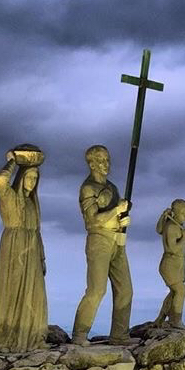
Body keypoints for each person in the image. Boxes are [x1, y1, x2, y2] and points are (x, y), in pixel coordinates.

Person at [71, 145, 133, 345]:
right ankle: (80, 334)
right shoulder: (88, 188)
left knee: (125, 289)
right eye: (101, 160)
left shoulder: (112, 188)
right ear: (91, 163)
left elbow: (116, 216)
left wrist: (122, 220)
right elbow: (92, 221)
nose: (106, 164)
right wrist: (116, 211)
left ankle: (119, 335)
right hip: (99, 240)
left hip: (117, 241)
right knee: (97, 289)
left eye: (107, 159)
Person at [0, 146, 47, 352]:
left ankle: (34, 337)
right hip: (13, 246)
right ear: (22, 178)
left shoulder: (33, 204)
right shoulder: (10, 197)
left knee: (35, 294)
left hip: (32, 249)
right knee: (12, 293)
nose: (32, 183)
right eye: (29, 177)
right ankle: (8, 339)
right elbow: (0, 180)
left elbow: (37, 231)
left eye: (35, 179)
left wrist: (42, 258)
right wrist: (13, 161)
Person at [153, 199, 185, 329]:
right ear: (174, 213)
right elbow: (172, 249)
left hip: (177, 264)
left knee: (174, 292)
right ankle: (176, 320)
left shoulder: (173, 226)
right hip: (170, 264)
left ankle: (161, 318)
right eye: (183, 213)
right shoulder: (172, 227)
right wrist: (184, 238)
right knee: (181, 290)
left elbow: (158, 230)